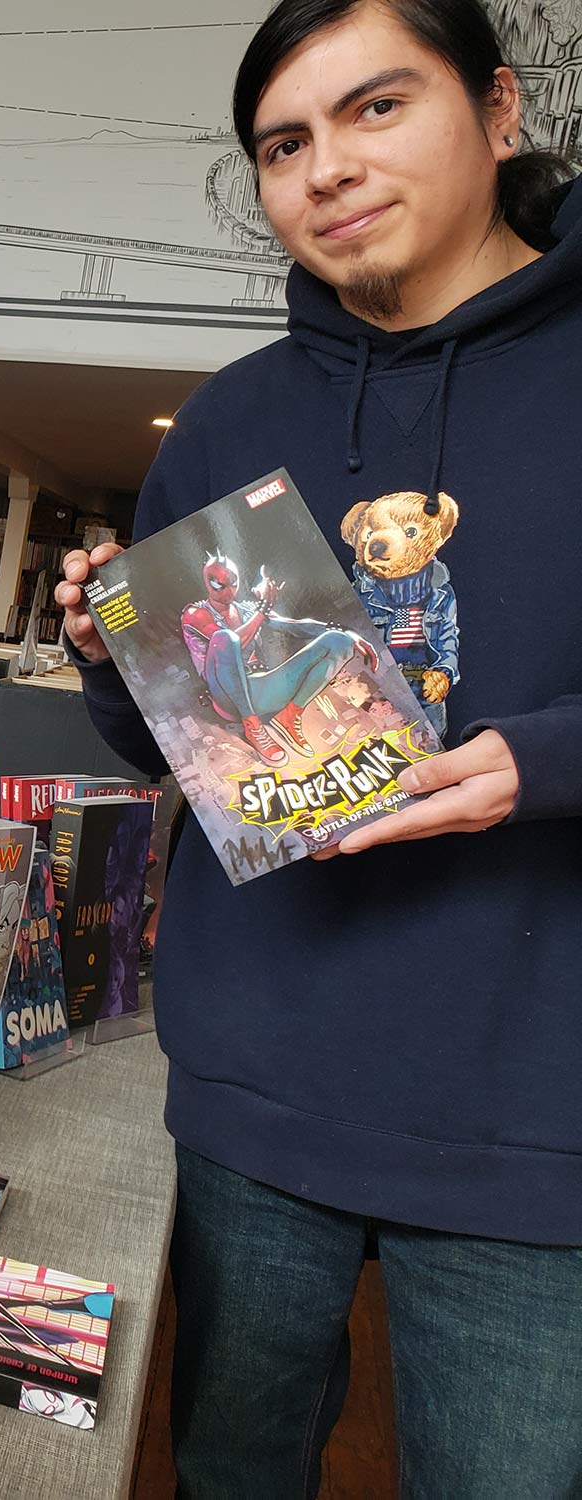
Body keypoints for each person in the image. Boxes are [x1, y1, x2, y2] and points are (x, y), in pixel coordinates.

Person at [55, 3, 582, 1492]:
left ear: (496, 110)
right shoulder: (232, 420)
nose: (328, 169)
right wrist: (114, 650)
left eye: (374, 109)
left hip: (533, 1126)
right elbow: (185, 749)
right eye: (285, 144)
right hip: (256, 1096)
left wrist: (545, 763)